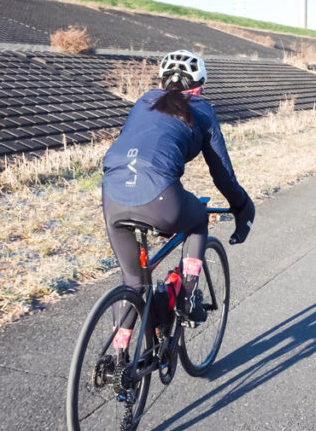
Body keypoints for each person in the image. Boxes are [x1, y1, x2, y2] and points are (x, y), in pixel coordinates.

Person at [101, 50, 255, 350]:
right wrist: (242, 207)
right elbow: (222, 175)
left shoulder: (145, 100)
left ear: (161, 82)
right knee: (198, 218)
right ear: (200, 85)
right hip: (160, 195)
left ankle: (117, 356)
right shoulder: (203, 110)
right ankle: (184, 298)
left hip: (112, 194)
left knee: (133, 281)